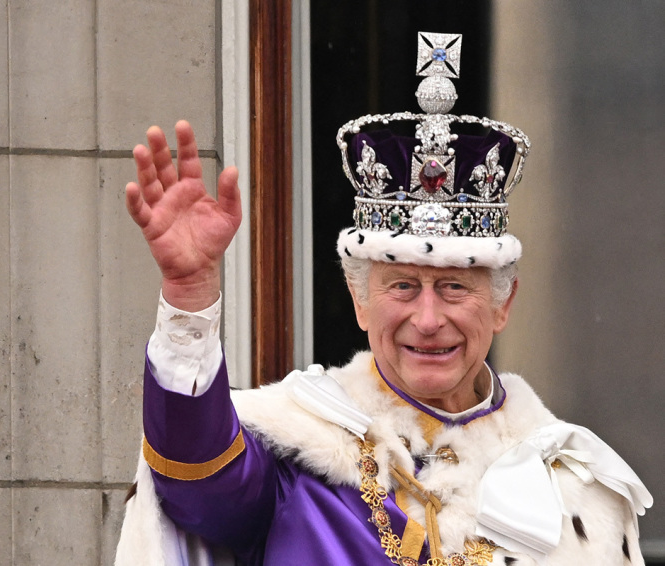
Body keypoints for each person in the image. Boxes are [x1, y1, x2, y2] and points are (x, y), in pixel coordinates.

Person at [116, 32, 652, 566]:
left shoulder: (576, 493)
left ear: (502, 303)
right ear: (359, 299)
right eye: (402, 286)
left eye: (453, 287)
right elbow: (198, 481)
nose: (426, 319)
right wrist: (189, 295)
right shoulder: (295, 457)